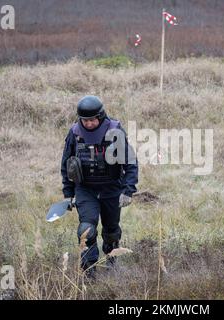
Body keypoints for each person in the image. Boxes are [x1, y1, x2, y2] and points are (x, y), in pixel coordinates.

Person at [61, 95, 138, 277]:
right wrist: (68, 193)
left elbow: (131, 162)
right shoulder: (75, 133)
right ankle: (89, 270)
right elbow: (66, 164)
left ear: (101, 116)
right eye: (85, 120)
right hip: (85, 189)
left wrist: (128, 190)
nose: (88, 124)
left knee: (111, 230)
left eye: (92, 120)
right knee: (86, 230)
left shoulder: (115, 130)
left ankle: (112, 261)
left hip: (112, 188)